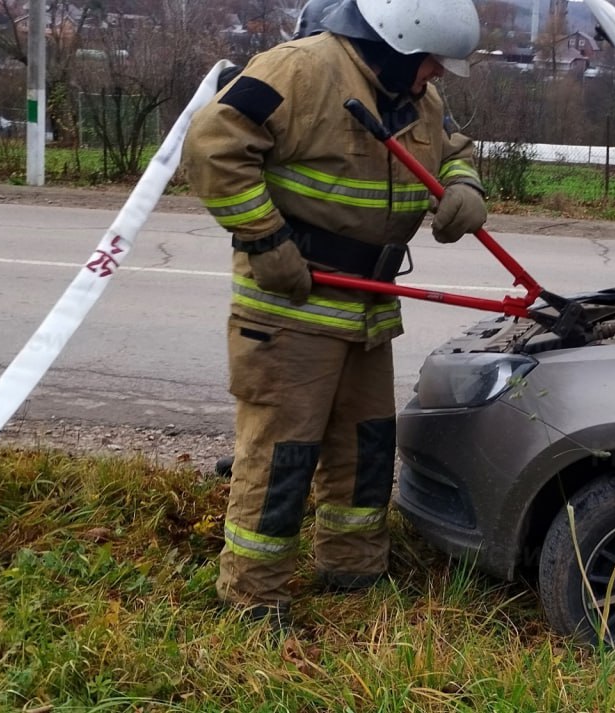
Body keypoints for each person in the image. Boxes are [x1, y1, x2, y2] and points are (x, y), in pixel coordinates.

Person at [183, 0, 487, 626]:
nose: (436, 76)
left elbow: (451, 144)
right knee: (283, 453)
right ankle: (254, 598)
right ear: (399, 42)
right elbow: (214, 146)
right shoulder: (300, 69)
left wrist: (464, 184)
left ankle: (353, 569)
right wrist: (266, 241)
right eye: (432, 63)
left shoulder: (412, 93)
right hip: (292, 302)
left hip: (368, 306)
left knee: (366, 446)